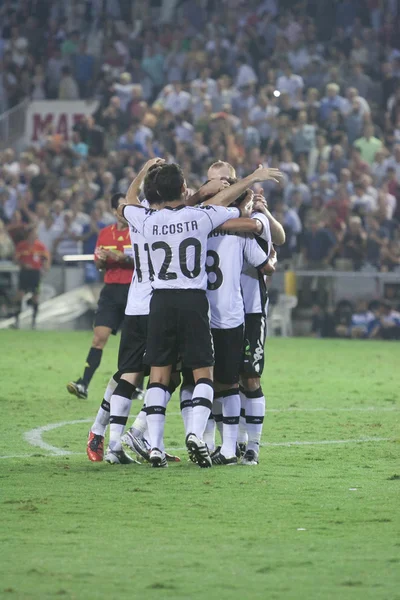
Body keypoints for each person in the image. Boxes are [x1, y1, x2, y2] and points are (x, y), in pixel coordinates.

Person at [121, 162, 282, 468]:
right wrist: (250, 181)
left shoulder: (146, 219)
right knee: (206, 375)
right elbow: (234, 212)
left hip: (160, 303)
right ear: (184, 188)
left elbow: (127, 203)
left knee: (160, 375)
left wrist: (141, 172)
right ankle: (198, 435)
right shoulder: (201, 218)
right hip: (196, 303)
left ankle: (155, 447)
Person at [67, 194, 133, 400]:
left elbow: (143, 261)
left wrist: (122, 257)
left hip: (133, 290)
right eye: (121, 208)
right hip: (111, 291)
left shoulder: (138, 232)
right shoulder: (105, 233)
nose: (124, 212)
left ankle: (135, 385)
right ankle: (84, 383)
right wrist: (103, 260)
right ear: (114, 211)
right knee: (98, 338)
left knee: (134, 342)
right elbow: (98, 263)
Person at [14, 226, 50, 329]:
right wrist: (23, 264)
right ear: (28, 235)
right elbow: (15, 259)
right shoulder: (22, 246)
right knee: (20, 294)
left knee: (35, 296)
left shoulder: (40, 246)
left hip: (35, 273)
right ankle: (16, 320)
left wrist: (45, 267)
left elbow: (46, 259)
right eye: (33, 234)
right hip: (25, 272)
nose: (35, 236)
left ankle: (34, 321)